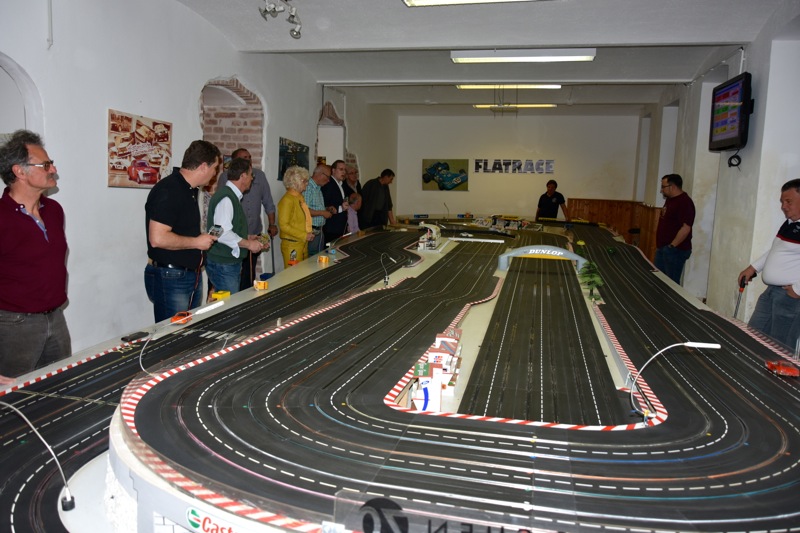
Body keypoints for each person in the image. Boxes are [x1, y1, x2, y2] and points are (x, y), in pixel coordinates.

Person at [0, 130, 71, 381]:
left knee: (62, 388)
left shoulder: (54, 210)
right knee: (14, 397)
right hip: (14, 325)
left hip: (56, 318)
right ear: (19, 171)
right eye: (46, 165)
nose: (53, 169)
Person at [145, 140, 220, 323]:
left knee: (187, 332)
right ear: (203, 166)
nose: (215, 173)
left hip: (186, 274)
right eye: (215, 168)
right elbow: (157, 238)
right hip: (172, 276)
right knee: (173, 334)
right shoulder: (170, 189)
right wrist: (197, 242)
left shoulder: (189, 190)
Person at [738, 178, 800, 349]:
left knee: (780, 347)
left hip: (790, 297)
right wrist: (753, 268)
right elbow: (775, 251)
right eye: (782, 202)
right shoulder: (790, 223)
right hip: (772, 291)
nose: (783, 206)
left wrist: (797, 290)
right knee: (754, 336)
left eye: (788, 201)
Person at [217, 148, 277, 290]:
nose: (249, 160)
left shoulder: (259, 175)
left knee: (249, 275)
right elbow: (222, 231)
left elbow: (268, 202)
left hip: (252, 231)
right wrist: (247, 243)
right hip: (232, 243)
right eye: (244, 158)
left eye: (249, 157)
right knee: (231, 280)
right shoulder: (226, 195)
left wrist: (271, 224)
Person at [205, 157, 264, 294]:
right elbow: (221, 233)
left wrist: (247, 237)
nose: (252, 178)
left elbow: (224, 228)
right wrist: (248, 244)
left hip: (225, 263)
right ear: (243, 176)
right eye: (251, 175)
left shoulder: (229, 195)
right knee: (229, 305)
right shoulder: (227, 198)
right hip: (224, 264)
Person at [654, 173, 695, 285]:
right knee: (658, 281)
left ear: (672, 187)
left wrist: (671, 246)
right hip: (663, 248)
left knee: (670, 284)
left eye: (663, 187)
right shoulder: (670, 199)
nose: (661, 190)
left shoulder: (684, 202)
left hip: (675, 251)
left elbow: (686, 228)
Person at [278, 166, 315, 268]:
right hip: (292, 245)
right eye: (304, 181)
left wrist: (307, 233)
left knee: (303, 272)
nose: (307, 183)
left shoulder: (299, 198)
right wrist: (304, 235)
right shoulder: (287, 200)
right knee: (293, 274)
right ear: (295, 182)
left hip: (302, 242)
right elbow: (284, 226)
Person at [303, 164, 333, 255]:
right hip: (311, 230)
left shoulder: (318, 187)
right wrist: (322, 213)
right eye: (328, 177)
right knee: (312, 257)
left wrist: (326, 209)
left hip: (318, 230)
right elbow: (304, 210)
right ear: (320, 174)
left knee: (318, 255)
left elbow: (314, 206)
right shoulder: (308, 187)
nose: (328, 180)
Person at [321, 159, 349, 244]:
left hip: (340, 227)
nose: (344, 172)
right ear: (333, 170)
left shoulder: (341, 184)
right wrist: (341, 208)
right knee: (330, 250)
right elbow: (325, 204)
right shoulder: (329, 184)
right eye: (341, 169)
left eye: (345, 170)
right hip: (331, 227)